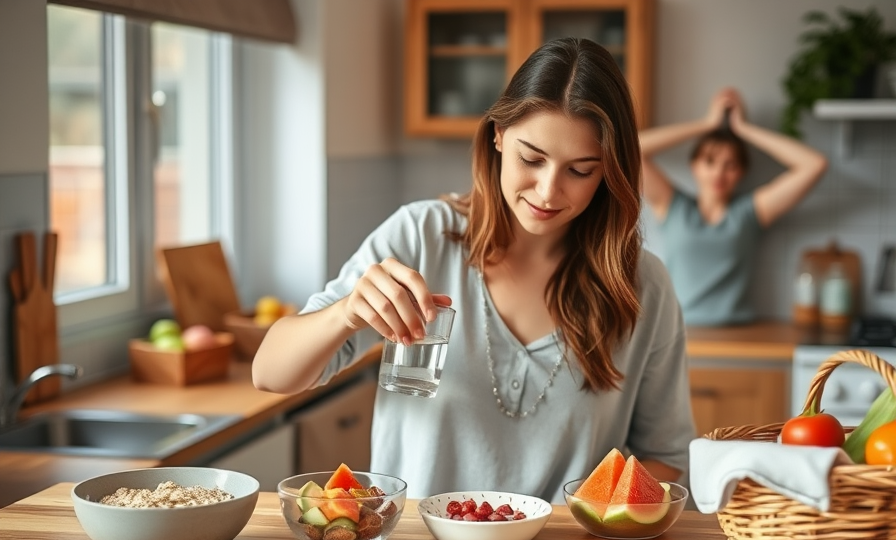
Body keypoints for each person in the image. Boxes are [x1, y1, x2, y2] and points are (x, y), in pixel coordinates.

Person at [252, 38, 695, 504]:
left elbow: (664, 456)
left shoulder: (644, 286)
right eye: (532, 159)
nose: (548, 191)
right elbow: (269, 373)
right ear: (497, 136)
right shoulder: (420, 237)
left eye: (580, 170)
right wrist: (344, 312)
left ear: (608, 173)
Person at [639, 88, 828, 326]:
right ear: (694, 165)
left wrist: (744, 130)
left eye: (730, 165)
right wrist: (705, 124)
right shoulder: (672, 205)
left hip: (738, 333)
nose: (719, 172)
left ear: (742, 171)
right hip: (677, 332)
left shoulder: (750, 212)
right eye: (710, 161)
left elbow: (815, 165)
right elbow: (630, 148)